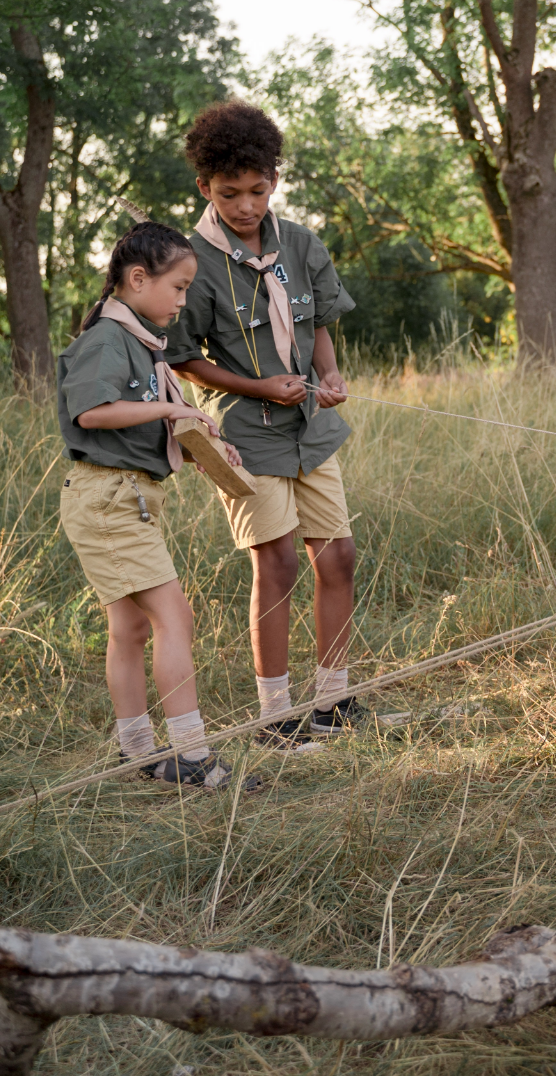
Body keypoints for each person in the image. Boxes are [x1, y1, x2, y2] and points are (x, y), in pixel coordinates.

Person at [165, 100, 363, 751]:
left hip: (312, 428)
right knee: (276, 562)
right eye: (230, 194)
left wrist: (328, 378)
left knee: (338, 555)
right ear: (204, 188)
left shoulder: (301, 243)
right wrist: (256, 386)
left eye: (257, 190)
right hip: (247, 431)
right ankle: (274, 719)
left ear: (274, 180)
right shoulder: (189, 262)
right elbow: (184, 357)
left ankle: (333, 700)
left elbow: (320, 326)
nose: (246, 205)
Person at [57, 220, 256, 791]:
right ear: (138, 278)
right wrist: (173, 413)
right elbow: (93, 413)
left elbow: (136, 424)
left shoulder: (142, 342)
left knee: (130, 628)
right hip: (108, 498)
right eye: (179, 286)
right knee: (175, 618)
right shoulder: (107, 339)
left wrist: (202, 445)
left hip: (124, 494)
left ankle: (138, 752)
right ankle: (191, 756)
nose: (183, 299)